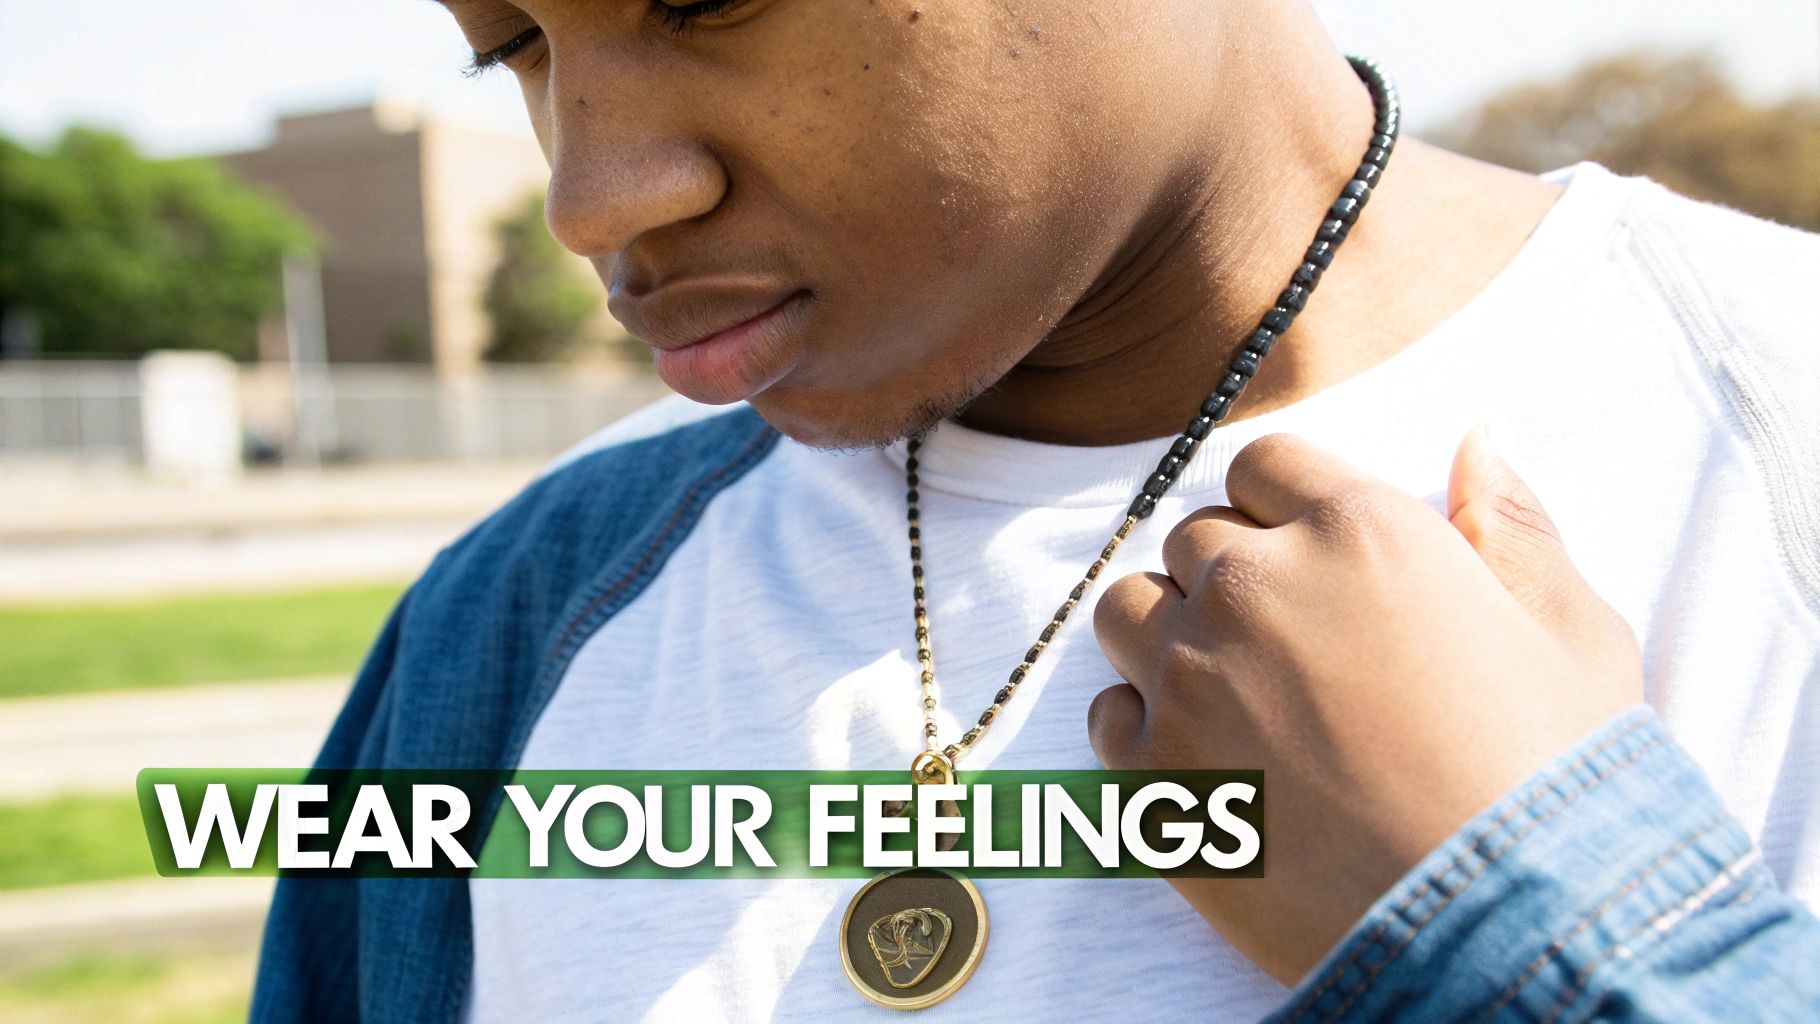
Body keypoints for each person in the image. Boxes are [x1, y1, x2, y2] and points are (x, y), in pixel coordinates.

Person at [252, 0, 1820, 1020]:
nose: (590, 197)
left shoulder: (1767, 454)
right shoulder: (517, 621)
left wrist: (1539, 921)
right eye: (512, 41)